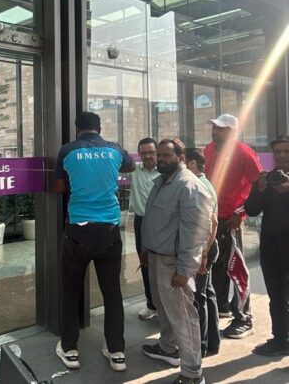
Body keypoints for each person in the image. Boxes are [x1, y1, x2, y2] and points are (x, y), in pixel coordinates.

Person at [54, 112, 135, 372]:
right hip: (109, 230)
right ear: (99, 128)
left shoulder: (67, 150)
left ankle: (70, 349)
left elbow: (59, 188)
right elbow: (130, 166)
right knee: (112, 292)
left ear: (77, 129)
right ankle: (116, 351)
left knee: (71, 291)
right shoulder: (114, 149)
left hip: (78, 230)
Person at [141, 139, 212, 384]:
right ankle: (168, 347)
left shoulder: (188, 186)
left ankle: (193, 373)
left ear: (181, 157)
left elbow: (196, 232)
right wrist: (146, 250)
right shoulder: (162, 181)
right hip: (156, 258)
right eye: (159, 154)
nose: (161, 159)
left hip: (173, 264)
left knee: (183, 317)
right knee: (164, 310)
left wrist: (185, 270)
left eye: (166, 155)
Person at [204, 113, 262, 339]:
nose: (215, 131)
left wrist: (241, 213)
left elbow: (260, 185)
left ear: (232, 131)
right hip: (211, 219)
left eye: (220, 128)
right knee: (215, 266)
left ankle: (244, 318)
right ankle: (222, 306)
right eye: (214, 127)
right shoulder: (208, 150)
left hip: (231, 220)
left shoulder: (245, 153)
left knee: (236, 269)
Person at [245, 135, 289, 356]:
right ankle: (280, 339)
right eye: (277, 151)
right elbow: (251, 210)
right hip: (271, 249)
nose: (281, 155)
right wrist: (260, 189)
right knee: (276, 297)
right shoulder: (267, 180)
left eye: (286, 151)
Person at [185, 148, 221, 357]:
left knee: (198, 297)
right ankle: (212, 343)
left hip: (203, 248)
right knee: (207, 294)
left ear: (192, 164)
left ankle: (200, 345)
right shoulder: (205, 182)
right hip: (206, 247)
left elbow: (212, 223)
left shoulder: (199, 186)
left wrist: (203, 255)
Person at [128, 137, 160, 320]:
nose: (147, 156)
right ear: (139, 154)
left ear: (157, 152)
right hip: (141, 222)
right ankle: (151, 305)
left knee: (164, 264)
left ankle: (166, 306)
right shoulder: (134, 170)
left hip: (162, 224)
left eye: (151, 152)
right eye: (143, 153)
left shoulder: (165, 172)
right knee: (145, 263)